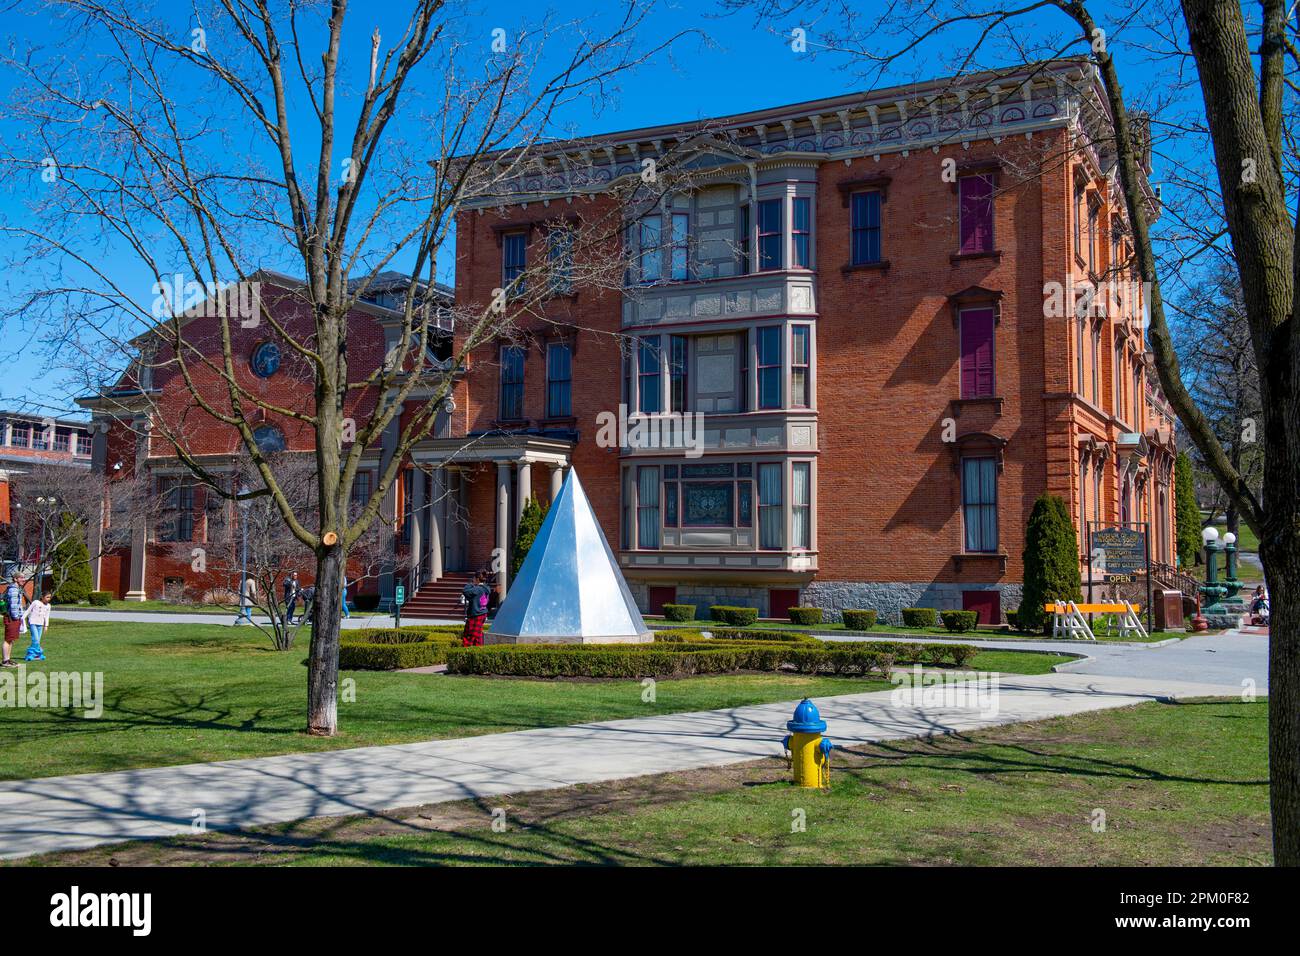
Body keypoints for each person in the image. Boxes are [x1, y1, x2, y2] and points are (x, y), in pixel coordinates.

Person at [460, 570, 490, 647]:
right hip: (483, 613)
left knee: (468, 636)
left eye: (474, 578)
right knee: (477, 635)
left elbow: (465, 591)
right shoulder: (486, 588)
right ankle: (478, 650)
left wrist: (472, 583)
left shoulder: (477, 589)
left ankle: (465, 652)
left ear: (477, 579)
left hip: (476, 614)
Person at [2, 575, 25, 668]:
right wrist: (16, 617)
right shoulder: (14, 590)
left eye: (24, 577)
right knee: (8, 639)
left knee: (11, 639)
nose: (23, 579)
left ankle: (7, 659)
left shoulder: (16, 588)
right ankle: (5, 661)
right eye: (21, 578)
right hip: (12, 618)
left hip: (13, 617)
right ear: (15, 579)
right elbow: (13, 605)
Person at [22, 591, 51, 662]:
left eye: (50, 597)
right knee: (36, 639)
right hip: (33, 623)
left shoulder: (48, 606)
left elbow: (47, 616)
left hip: (40, 624)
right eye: (47, 597)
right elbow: (28, 611)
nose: (49, 599)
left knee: (37, 640)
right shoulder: (36, 602)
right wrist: (22, 618)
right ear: (42, 597)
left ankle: (35, 654)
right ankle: (32, 654)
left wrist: (46, 626)